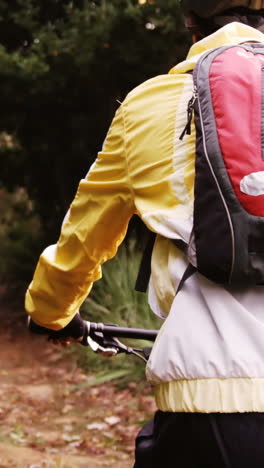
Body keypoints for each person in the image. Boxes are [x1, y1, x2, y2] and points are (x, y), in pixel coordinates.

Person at [25, 1, 264, 466]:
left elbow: (85, 233)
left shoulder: (150, 104)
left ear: (190, 21)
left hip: (214, 396)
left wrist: (51, 311)